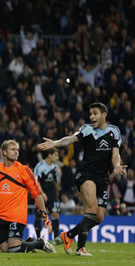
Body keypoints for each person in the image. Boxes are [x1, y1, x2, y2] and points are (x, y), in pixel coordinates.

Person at [38, 102, 125, 256]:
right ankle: (81, 248)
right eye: (90, 113)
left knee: (98, 217)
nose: (91, 116)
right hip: (86, 174)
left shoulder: (114, 132)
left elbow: (115, 153)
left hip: (102, 178)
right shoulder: (87, 129)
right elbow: (70, 139)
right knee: (91, 210)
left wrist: (117, 164)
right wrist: (56, 143)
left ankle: (68, 235)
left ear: (104, 115)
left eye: (95, 113)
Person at [0, 140, 56, 254]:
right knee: (5, 250)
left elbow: (37, 194)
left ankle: (40, 243)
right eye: (13, 149)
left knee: (14, 250)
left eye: (17, 150)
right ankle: (27, 243)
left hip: (16, 216)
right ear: (4, 152)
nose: (16, 152)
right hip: (0, 217)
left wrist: (44, 214)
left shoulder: (24, 170)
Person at [34, 148, 63, 244]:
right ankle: (38, 238)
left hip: (53, 194)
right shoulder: (40, 166)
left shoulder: (55, 167)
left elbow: (55, 181)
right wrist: (41, 193)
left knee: (55, 214)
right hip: (41, 194)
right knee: (40, 215)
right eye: (56, 155)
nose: (57, 157)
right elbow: (36, 181)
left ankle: (56, 238)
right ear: (49, 155)